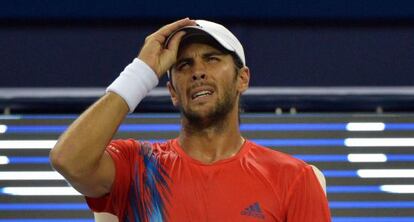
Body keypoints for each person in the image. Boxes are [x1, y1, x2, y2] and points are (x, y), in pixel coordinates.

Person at [50, 18, 331, 222]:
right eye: (184, 65)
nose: (198, 72)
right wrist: (141, 73)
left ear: (242, 79)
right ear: (172, 92)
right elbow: (68, 160)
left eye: (211, 59)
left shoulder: (294, 179)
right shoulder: (135, 165)